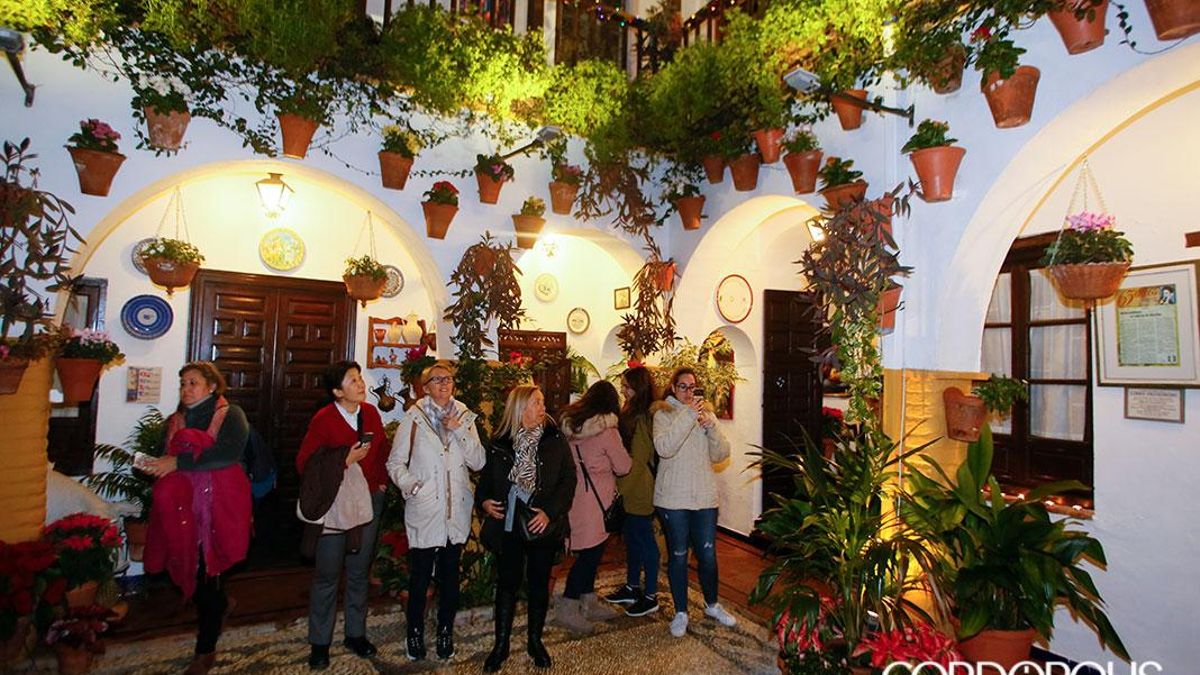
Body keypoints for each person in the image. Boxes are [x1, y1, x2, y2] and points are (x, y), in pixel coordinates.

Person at [143, 362, 251, 675]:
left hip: (220, 506)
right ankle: (221, 606)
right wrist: (155, 465)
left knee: (208, 570)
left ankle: (205, 650)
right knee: (194, 566)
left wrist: (178, 463)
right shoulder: (175, 421)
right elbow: (166, 458)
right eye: (183, 384)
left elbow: (227, 454)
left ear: (211, 386)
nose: (186, 389)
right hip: (184, 507)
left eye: (193, 383)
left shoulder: (231, 415)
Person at [386, 360, 485, 661]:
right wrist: (412, 485)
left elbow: (478, 461)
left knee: (450, 577)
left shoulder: (464, 416)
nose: (444, 384)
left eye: (449, 379)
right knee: (419, 576)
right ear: (425, 388)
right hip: (426, 509)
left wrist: (459, 431)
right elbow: (395, 462)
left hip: (456, 511)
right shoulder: (413, 418)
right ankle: (414, 633)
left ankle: (445, 631)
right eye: (437, 379)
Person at [295, 361, 390, 669]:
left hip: (368, 501)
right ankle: (320, 642)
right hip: (335, 506)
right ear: (337, 391)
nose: (361, 384)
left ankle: (355, 633)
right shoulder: (324, 419)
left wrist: (381, 483)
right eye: (352, 380)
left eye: (360, 378)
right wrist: (344, 460)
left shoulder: (371, 413)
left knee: (359, 571)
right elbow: (304, 463)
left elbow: (383, 450)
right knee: (327, 573)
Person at [476, 385, 576, 672]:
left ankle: (535, 641)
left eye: (542, 402)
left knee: (538, 584)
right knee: (507, 584)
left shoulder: (554, 438)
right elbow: (485, 482)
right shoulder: (500, 442)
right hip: (507, 524)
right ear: (520, 409)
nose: (543, 408)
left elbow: (568, 479)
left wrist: (550, 512)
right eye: (536, 403)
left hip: (540, 522)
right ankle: (501, 645)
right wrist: (484, 502)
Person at [652, 367, 736, 638]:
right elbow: (665, 448)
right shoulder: (663, 414)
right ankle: (681, 611)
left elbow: (721, 454)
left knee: (708, 554)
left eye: (693, 387)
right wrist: (688, 415)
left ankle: (712, 605)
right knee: (678, 554)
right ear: (673, 388)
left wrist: (712, 429)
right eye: (683, 386)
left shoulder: (706, 414)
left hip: (704, 498)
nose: (689, 392)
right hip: (673, 498)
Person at [555, 381, 631, 634]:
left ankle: (588, 600)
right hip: (598, 502)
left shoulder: (569, 427)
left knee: (589, 553)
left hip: (575, 498)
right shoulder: (608, 432)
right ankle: (568, 605)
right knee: (590, 557)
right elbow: (624, 466)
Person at [604, 365, 661, 617]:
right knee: (633, 540)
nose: (623, 391)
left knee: (645, 541)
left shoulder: (643, 417)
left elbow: (638, 459)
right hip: (630, 485)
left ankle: (650, 595)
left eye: (627, 387)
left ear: (638, 388)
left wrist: (620, 490)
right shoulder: (631, 412)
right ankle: (632, 586)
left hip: (638, 488)